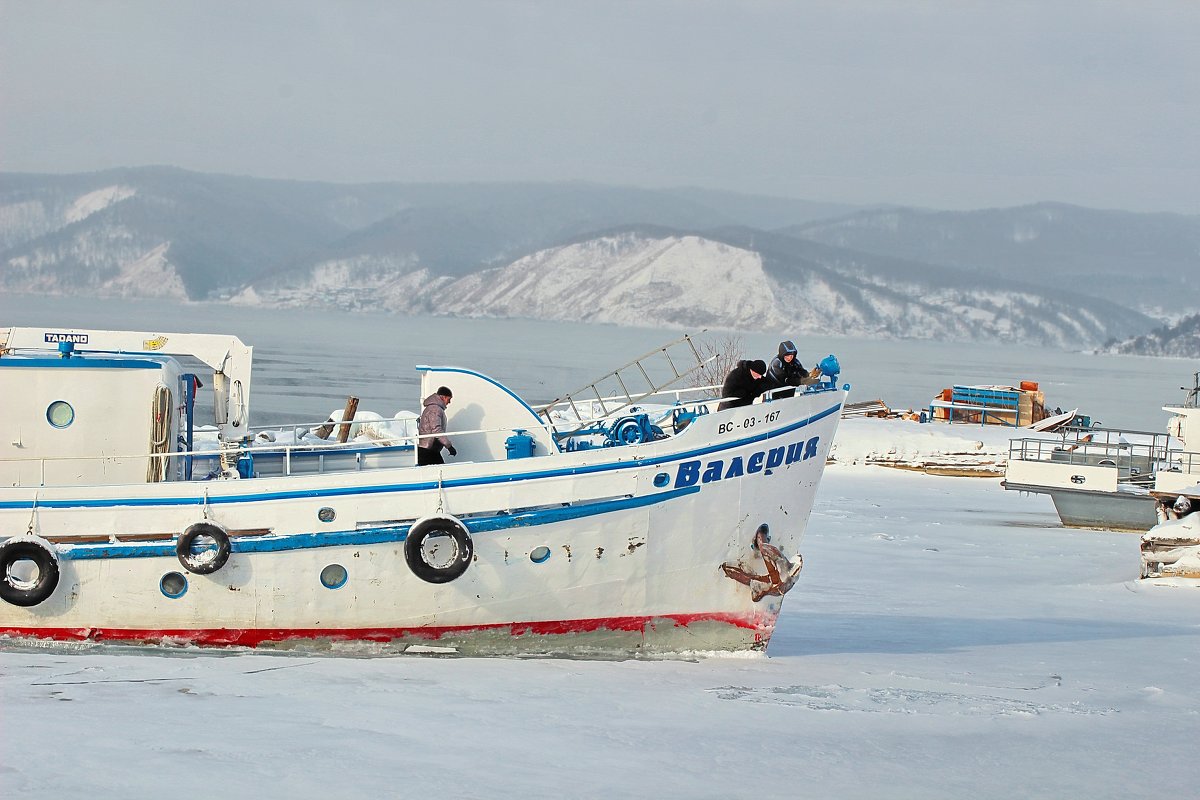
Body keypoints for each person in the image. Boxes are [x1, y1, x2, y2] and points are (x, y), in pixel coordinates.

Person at [417, 386, 457, 465]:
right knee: (441, 471)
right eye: (449, 399)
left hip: (428, 448)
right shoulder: (435, 409)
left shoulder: (434, 408)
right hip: (428, 449)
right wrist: (449, 446)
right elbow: (436, 430)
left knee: (438, 471)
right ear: (443, 397)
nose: (449, 402)